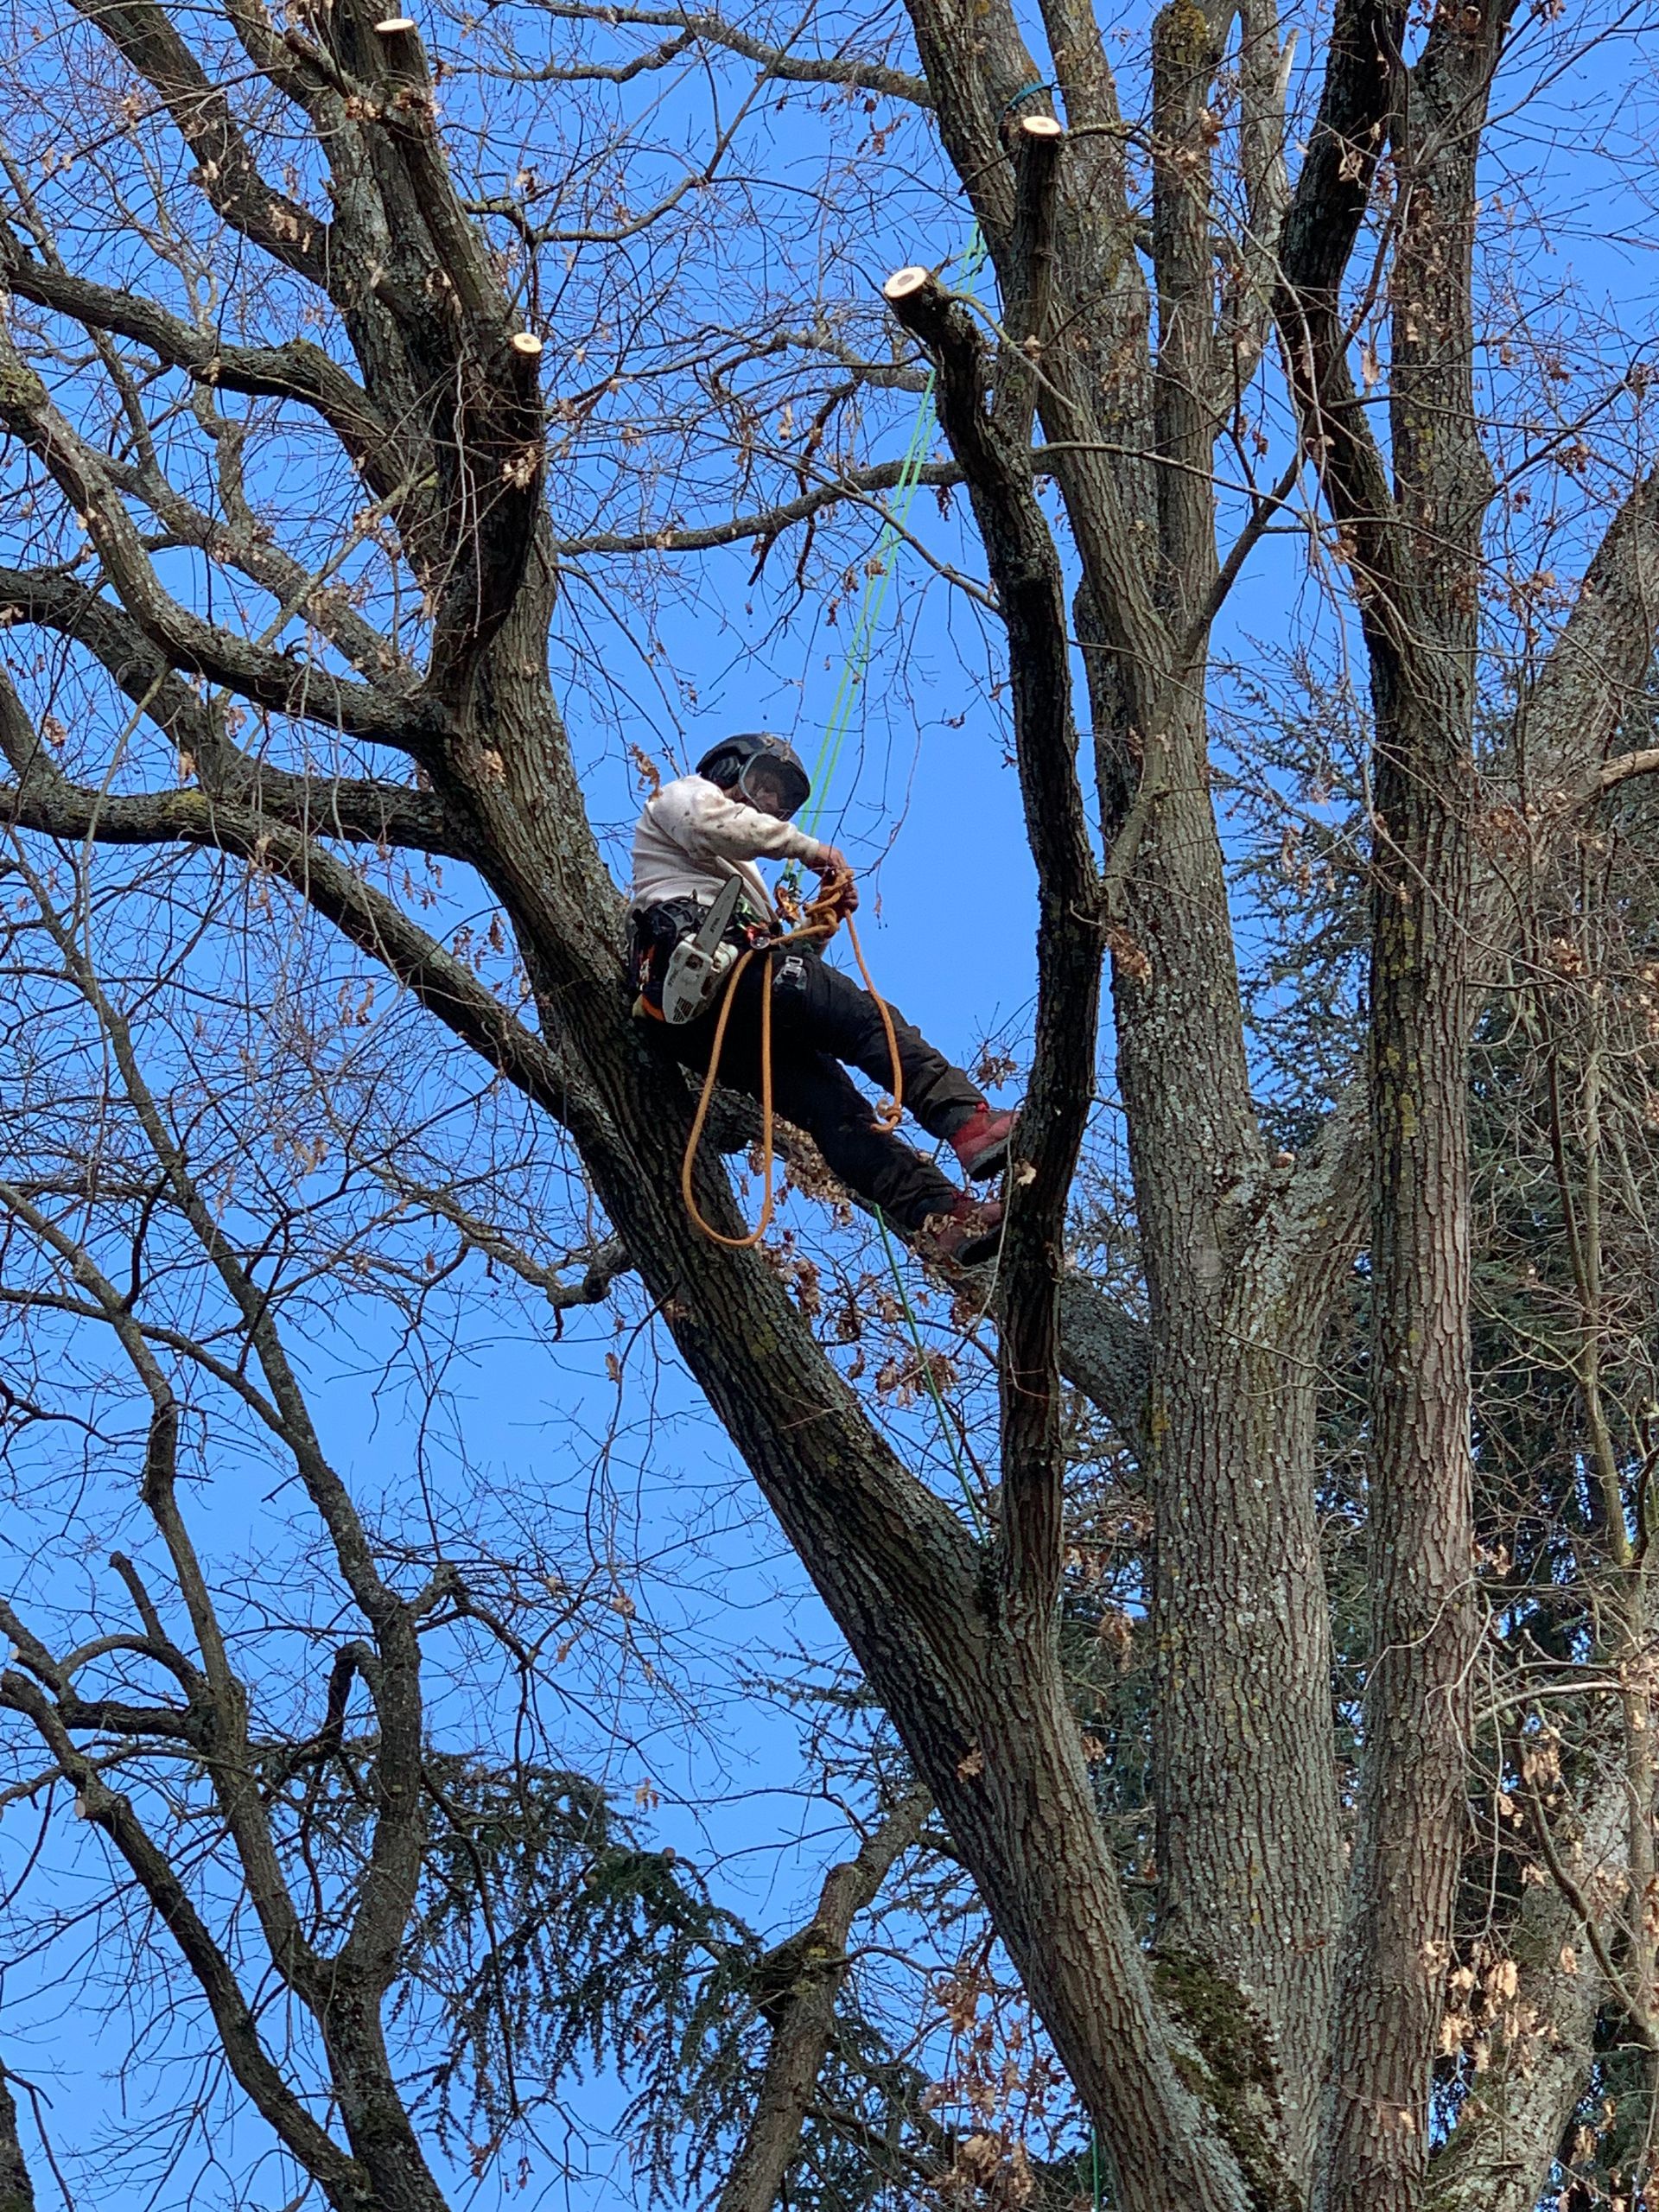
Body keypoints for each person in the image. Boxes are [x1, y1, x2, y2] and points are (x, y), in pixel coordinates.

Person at [629, 733, 1014, 1265]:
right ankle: (970, 1123)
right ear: (728, 769)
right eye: (764, 787)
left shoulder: (734, 875)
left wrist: (818, 926)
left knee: (835, 1113)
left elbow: (784, 964)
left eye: (782, 801)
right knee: (867, 1023)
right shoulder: (681, 797)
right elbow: (713, 823)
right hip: (716, 971)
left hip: (711, 1011)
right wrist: (811, 850)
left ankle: (941, 1216)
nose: (771, 806)